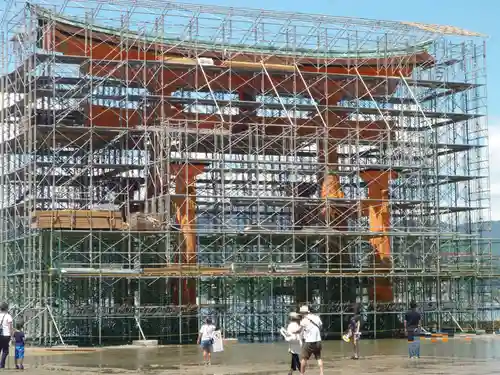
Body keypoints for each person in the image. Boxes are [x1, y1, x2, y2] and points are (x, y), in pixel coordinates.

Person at [297, 305, 323, 375]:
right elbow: (320, 325)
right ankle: (321, 373)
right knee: (319, 358)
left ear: (303, 313)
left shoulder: (304, 320)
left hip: (309, 342)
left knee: (304, 358)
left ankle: (302, 373)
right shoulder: (317, 317)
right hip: (318, 341)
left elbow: (300, 330)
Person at [0, 302, 13, 369]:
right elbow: (10, 327)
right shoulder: (8, 316)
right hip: (6, 335)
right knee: (5, 351)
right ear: (7, 308)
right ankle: (2, 365)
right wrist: (11, 337)